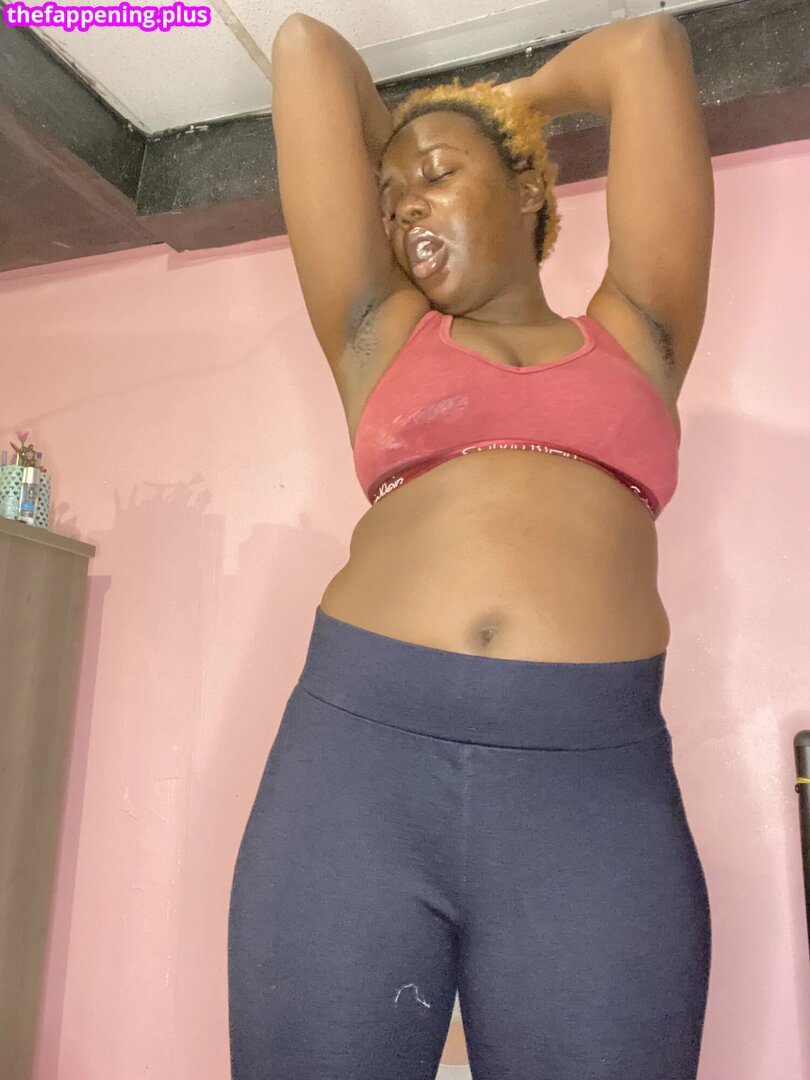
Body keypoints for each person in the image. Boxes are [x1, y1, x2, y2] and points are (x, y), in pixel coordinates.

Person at [228, 10, 715, 1079]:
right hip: (356, 765)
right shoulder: (380, 334)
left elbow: (647, 52)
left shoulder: (638, 334)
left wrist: (508, 107)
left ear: (531, 188)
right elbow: (306, 50)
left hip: (592, 789)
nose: (405, 205)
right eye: (390, 195)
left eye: (438, 175)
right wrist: (425, 138)